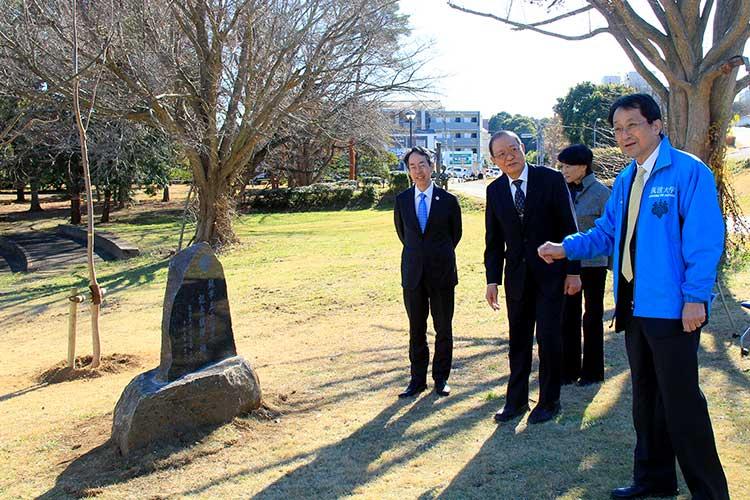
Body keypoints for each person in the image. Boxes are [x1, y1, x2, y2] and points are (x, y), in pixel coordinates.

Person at [538, 94, 729, 499]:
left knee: (682, 405)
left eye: (633, 125)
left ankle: (710, 493)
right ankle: (654, 480)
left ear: (657, 125)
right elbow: (607, 235)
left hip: (674, 311)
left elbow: (704, 240)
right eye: (618, 129)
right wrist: (565, 247)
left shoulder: (687, 172)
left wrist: (696, 297)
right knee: (645, 402)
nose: (624, 135)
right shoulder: (626, 179)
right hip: (634, 307)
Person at [484, 131, 581, 424]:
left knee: (550, 338)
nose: (508, 157)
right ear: (494, 160)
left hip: (552, 275)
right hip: (517, 279)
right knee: (518, 341)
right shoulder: (495, 190)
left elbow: (570, 227)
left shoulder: (551, 180)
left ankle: (549, 401)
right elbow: (493, 240)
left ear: (523, 149)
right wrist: (492, 280)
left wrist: (574, 271)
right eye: (501, 154)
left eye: (513, 149)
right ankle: (515, 401)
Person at [394, 146, 462, 398]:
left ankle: (441, 378)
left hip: (442, 274)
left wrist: (435, 255)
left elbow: (455, 235)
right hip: (413, 275)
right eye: (412, 166)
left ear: (431, 166)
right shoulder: (401, 200)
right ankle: (416, 379)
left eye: (422, 165)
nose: (418, 171)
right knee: (416, 328)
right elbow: (404, 235)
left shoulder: (448, 201)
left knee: (443, 327)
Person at [557, 144, 611, 386]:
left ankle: (592, 371)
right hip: (568, 264)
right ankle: (568, 369)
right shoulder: (561, 190)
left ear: (583, 166)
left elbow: (611, 232)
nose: (564, 170)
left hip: (593, 265)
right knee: (568, 316)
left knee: (592, 316)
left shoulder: (602, 194)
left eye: (568, 166)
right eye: (562, 166)